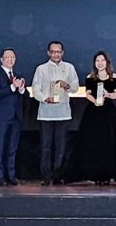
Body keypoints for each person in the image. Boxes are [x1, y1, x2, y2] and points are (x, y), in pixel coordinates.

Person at [65, 51, 116, 184]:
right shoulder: (90, 77)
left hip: (108, 112)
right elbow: (87, 93)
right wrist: (95, 101)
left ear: (107, 62)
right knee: (93, 142)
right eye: (97, 61)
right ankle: (93, 174)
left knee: (110, 141)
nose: (100, 63)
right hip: (93, 112)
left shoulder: (113, 77)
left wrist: (107, 95)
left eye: (102, 60)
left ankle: (109, 174)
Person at [32, 41, 79, 185]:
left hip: (63, 113)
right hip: (46, 113)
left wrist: (67, 85)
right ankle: (46, 176)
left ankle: (58, 175)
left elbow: (75, 87)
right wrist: (45, 98)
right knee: (45, 146)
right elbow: (35, 89)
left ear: (62, 53)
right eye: (53, 52)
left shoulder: (69, 68)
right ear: (48, 53)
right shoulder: (41, 69)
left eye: (58, 52)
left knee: (61, 146)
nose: (56, 54)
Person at [0, 48, 28, 186]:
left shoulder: (18, 75)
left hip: (16, 117)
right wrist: (13, 87)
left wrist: (21, 89)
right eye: (7, 57)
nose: (10, 59)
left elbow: (26, 95)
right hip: (2, 118)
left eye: (12, 57)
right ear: (1, 59)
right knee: (0, 147)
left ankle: (11, 176)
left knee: (12, 148)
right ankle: (0, 177)